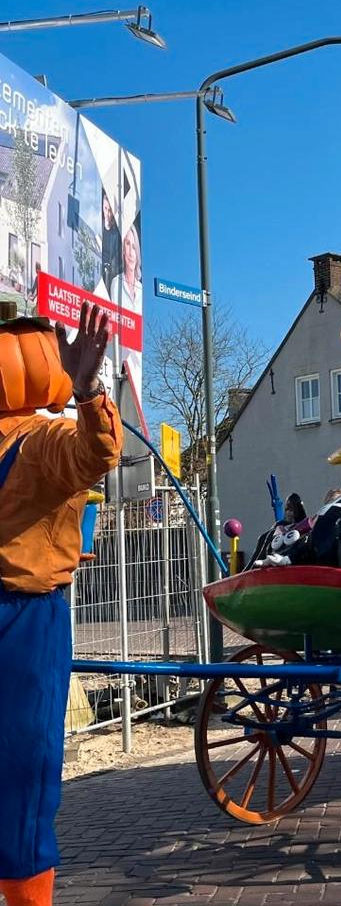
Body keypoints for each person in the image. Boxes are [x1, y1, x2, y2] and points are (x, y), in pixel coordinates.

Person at [0, 301, 122, 906]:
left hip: (25, 620)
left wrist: (89, 390)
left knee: (23, 768)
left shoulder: (41, 437)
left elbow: (93, 455)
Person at [109, 222, 142, 315]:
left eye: (134, 247)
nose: (131, 253)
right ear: (123, 249)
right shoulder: (116, 283)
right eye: (127, 244)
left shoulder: (141, 289)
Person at [100, 190, 122, 293]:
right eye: (106, 208)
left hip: (110, 276)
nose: (108, 214)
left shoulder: (117, 234)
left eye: (110, 210)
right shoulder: (98, 228)